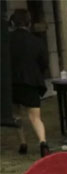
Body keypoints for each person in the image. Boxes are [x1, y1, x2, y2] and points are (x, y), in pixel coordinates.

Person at [9, 9, 49, 157]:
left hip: (12, 83)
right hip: (31, 82)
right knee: (35, 117)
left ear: (12, 23)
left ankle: (23, 144)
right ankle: (43, 143)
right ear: (29, 23)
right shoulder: (36, 41)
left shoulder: (6, 41)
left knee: (16, 115)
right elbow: (44, 63)